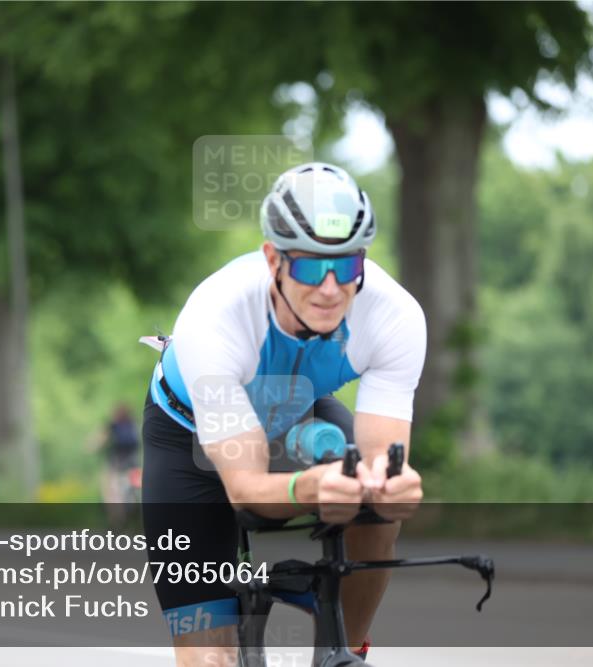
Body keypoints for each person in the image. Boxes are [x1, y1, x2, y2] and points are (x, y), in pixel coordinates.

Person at [141, 162, 426, 666]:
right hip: (186, 435)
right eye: (311, 267)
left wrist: (391, 485)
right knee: (209, 661)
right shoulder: (217, 315)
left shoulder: (394, 316)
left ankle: (342, 651)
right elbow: (245, 488)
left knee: (375, 503)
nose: (331, 288)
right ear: (272, 257)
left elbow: (385, 457)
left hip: (296, 411)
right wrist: (308, 488)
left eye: (348, 266)